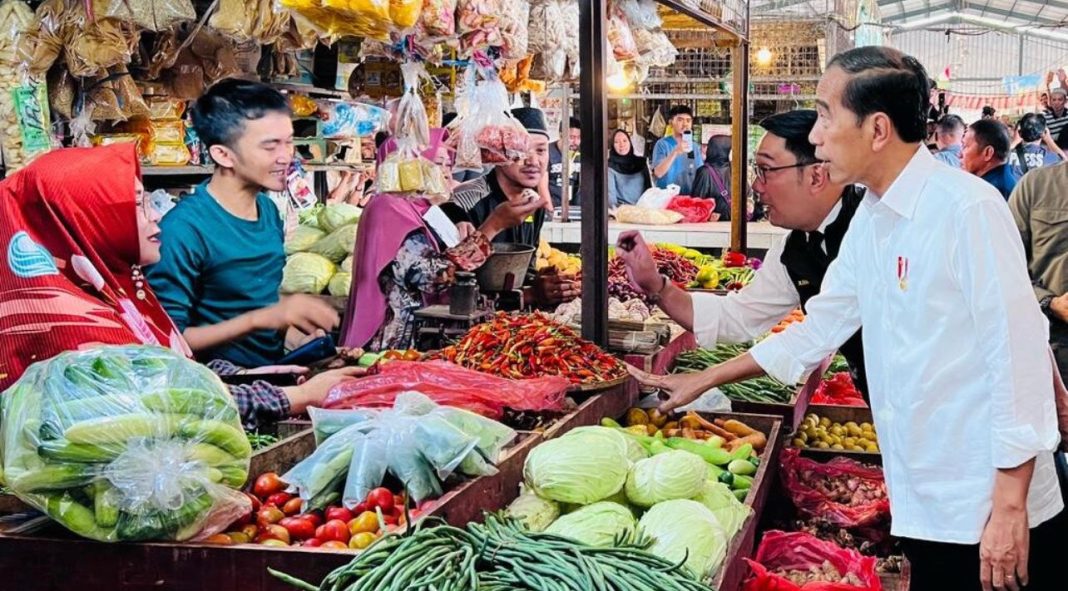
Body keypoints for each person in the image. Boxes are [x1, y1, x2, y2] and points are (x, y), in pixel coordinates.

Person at [630, 46, 1066, 591]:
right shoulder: (873, 220)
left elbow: (1018, 355)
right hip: (926, 495)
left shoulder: (967, 210)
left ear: (877, 128)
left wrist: (1008, 506)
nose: (815, 135)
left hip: (988, 505)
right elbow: (818, 328)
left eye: (825, 113)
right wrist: (704, 378)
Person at [0, 145, 362, 430]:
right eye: (138, 206)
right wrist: (297, 397)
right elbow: (167, 406)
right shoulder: (73, 328)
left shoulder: (115, 295)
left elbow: (170, 367)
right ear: (86, 222)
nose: (156, 217)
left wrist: (256, 375)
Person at [617, 110, 869, 399]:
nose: (755, 186)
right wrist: (655, 285)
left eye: (765, 170)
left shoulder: (870, 230)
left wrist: (705, 378)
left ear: (816, 175)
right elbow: (737, 316)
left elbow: (818, 333)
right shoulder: (795, 249)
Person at [147, 79, 339, 369]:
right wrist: (265, 318)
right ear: (223, 154)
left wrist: (300, 341)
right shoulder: (183, 231)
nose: (286, 156)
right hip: (218, 391)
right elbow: (166, 340)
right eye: (270, 146)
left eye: (288, 141)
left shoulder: (268, 211)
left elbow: (255, 305)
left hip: (271, 379)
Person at [339, 129, 539, 350]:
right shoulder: (387, 208)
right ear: (413, 165)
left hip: (420, 341)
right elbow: (436, 276)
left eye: (448, 165)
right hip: (393, 347)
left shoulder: (422, 209)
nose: (446, 173)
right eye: (438, 163)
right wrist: (493, 226)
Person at [446, 107, 579, 307]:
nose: (533, 161)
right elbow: (449, 287)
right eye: (521, 151)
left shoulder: (535, 204)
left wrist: (543, 282)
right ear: (499, 153)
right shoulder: (464, 203)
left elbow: (527, 272)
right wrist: (530, 295)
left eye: (541, 150)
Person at [651, 105, 703, 195]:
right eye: (680, 120)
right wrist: (675, 152)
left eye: (688, 120)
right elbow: (658, 173)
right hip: (666, 198)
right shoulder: (662, 144)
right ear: (671, 122)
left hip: (689, 197)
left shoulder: (694, 147)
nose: (685, 124)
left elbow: (700, 173)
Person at [962, 119, 1020, 199]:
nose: (960, 154)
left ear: (988, 153)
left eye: (965, 147)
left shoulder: (990, 191)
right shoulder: (1004, 179)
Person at [690, 135, 733, 220]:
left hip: (724, 226)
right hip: (723, 226)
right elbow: (696, 206)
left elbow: (696, 205)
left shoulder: (735, 170)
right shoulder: (705, 173)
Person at [607, 129, 650, 208]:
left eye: (624, 140)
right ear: (612, 146)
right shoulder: (609, 167)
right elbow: (611, 199)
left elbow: (649, 189)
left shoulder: (641, 163)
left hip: (643, 211)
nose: (621, 144)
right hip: (622, 212)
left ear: (630, 142)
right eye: (616, 142)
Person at [548, 117, 581, 206]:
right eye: (572, 137)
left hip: (576, 207)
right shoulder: (548, 152)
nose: (576, 142)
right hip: (552, 206)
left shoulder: (581, 155)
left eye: (579, 137)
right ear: (561, 134)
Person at [1043, 84, 1068, 149]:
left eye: (1060, 100)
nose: (1056, 103)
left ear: (1065, 101)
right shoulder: (1045, 118)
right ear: (1051, 102)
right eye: (1054, 100)